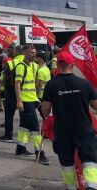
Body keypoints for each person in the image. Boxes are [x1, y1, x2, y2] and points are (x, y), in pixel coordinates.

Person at [41, 52, 97, 189]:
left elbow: (46, 111)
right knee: (89, 158)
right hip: (84, 128)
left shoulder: (51, 85)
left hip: (62, 130)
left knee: (66, 162)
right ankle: (91, 185)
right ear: (72, 65)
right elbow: (95, 105)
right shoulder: (84, 83)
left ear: (59, 64)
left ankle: (71, 187)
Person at [13, 45, 50, 165]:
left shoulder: (34, 66)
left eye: (35, 52)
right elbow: (17, 84)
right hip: (25, 101)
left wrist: (37, 98)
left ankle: (20, 148)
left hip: (33, 99)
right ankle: (40, 153)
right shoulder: (20, 67)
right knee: (35, 127)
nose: (34, 54)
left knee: (24, 125)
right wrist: (19, 101)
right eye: (31, 52)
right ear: (25, 53)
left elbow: (35, 83)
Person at [0, 45, 22, 142]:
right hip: (27, 93)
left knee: (9, 114)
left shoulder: (11, 62)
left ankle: (8, 135)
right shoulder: (32, 63)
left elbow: (4, 78)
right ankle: (23, 136)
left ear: (16, 52)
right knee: (24, 116)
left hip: (12, 91)